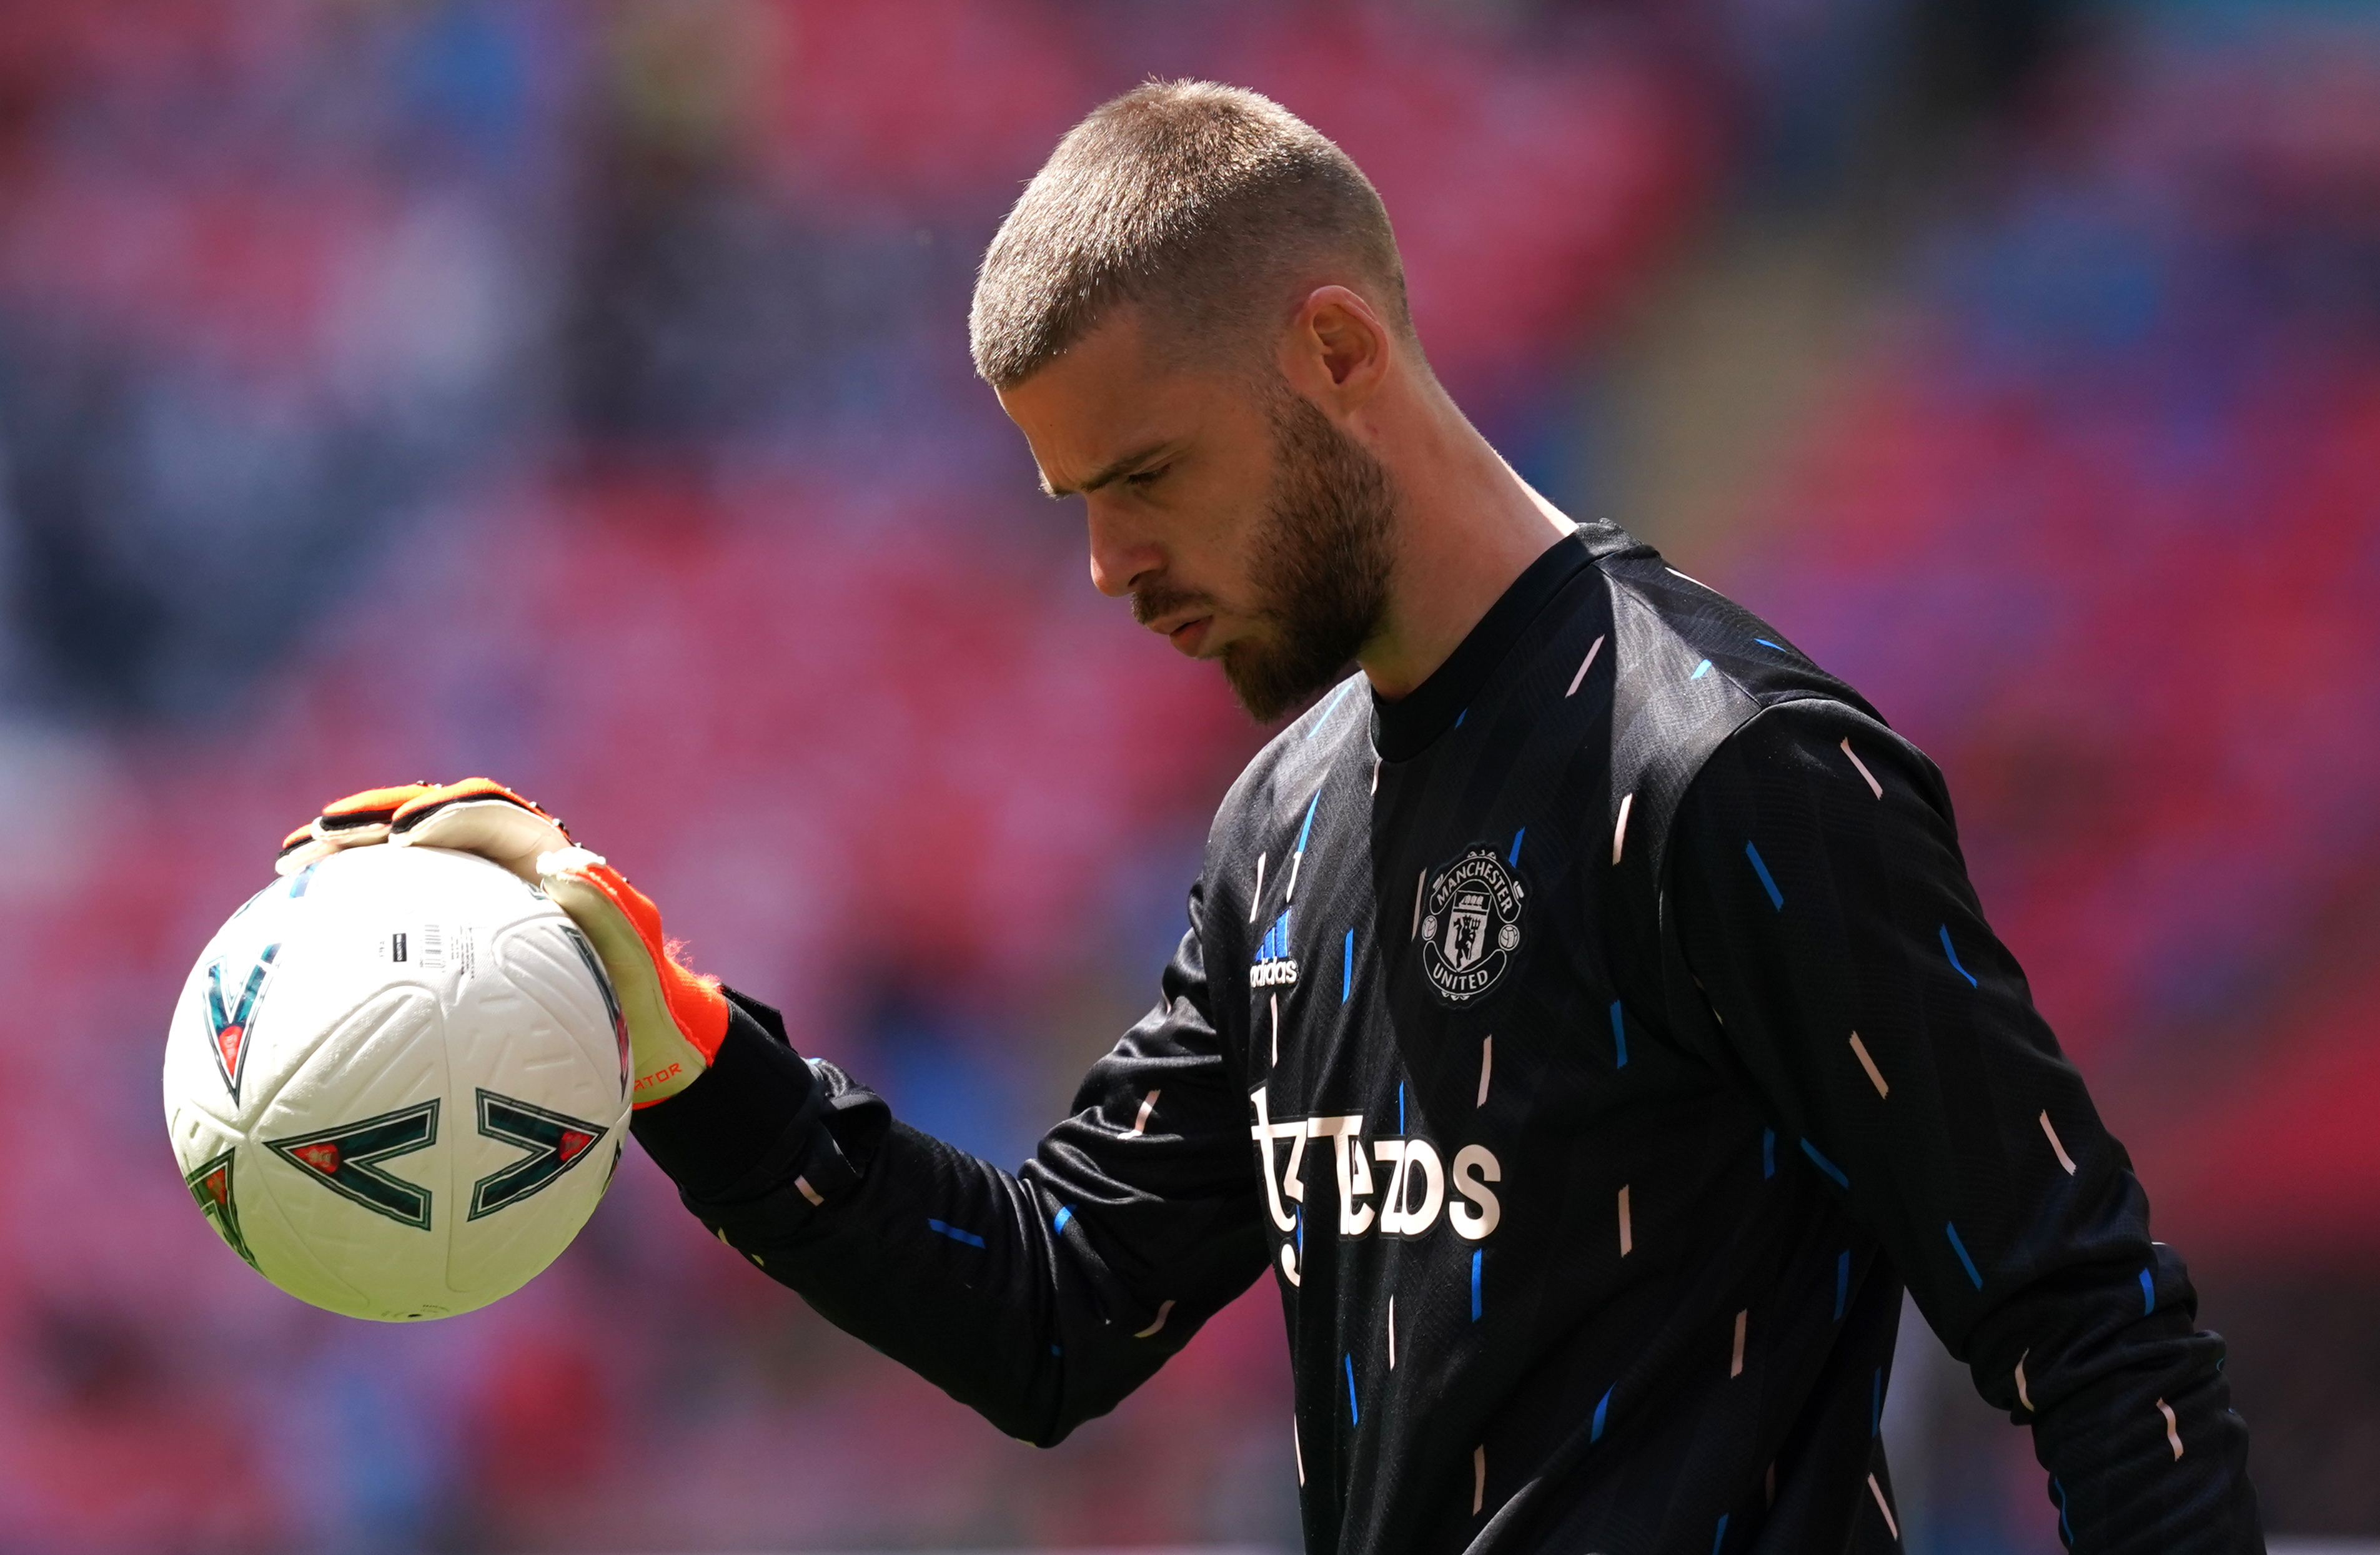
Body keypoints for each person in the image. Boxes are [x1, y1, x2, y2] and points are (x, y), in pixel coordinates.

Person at [279, 82, 2262, 1554]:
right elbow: (1056, 1312)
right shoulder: (1281, 827)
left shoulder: (1722, 767)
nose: (1107, 564)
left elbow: (2096, 1339)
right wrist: (683, 1054)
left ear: (1333, 352)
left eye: (1144, 473)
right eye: (1070, 503)